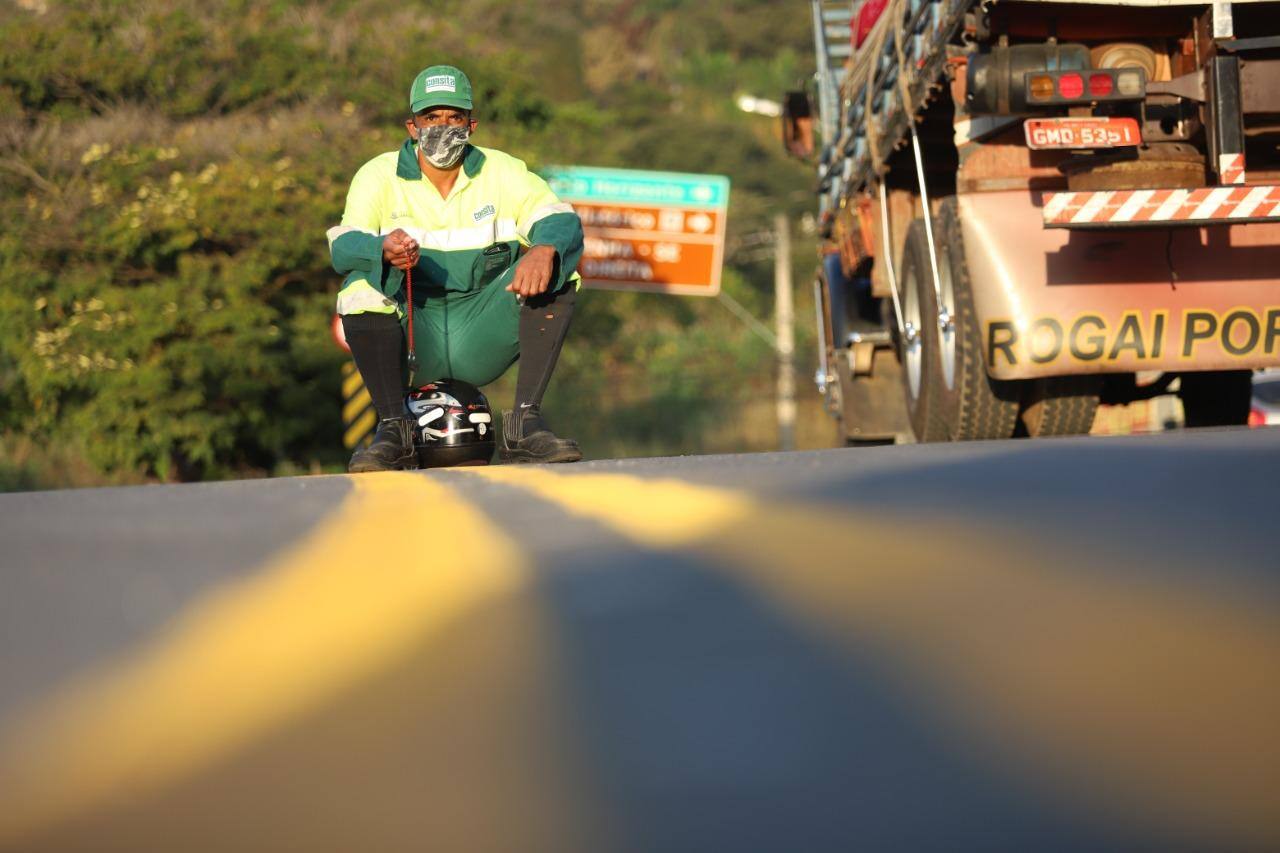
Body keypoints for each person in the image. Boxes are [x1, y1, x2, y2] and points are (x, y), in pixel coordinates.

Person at [327, 64, 584, 472]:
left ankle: (525, 423)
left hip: (482, 329)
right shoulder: (377, 175)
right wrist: (381, 250)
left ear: (472, 124)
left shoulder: (503, 170)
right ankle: (394, 430)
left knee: (556, 269)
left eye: (454, 117)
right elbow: (342, 246)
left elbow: (560, 218)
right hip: (415, 333)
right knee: (360, 283)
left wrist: (545, 247)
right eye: (431, 118)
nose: (442, 127)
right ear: (412, 126)